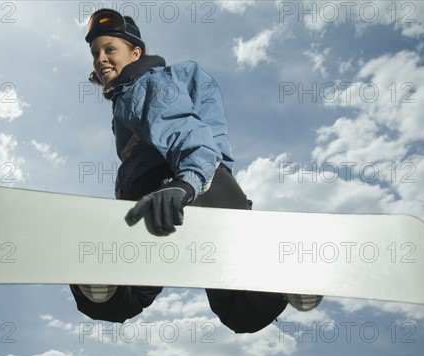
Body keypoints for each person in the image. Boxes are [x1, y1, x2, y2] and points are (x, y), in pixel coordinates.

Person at [70, 9, 322, 333]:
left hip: (171, 194)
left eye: (109, 49)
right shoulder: (160, 84)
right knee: (241, 312)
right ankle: (281, 275)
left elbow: (180, 127)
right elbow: (205, 132)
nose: (101, 59)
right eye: (95, 53)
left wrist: (185, 184)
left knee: (125, 295)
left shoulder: (145, 82)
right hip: (216, 192)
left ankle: (103, 274)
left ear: (135, 53)